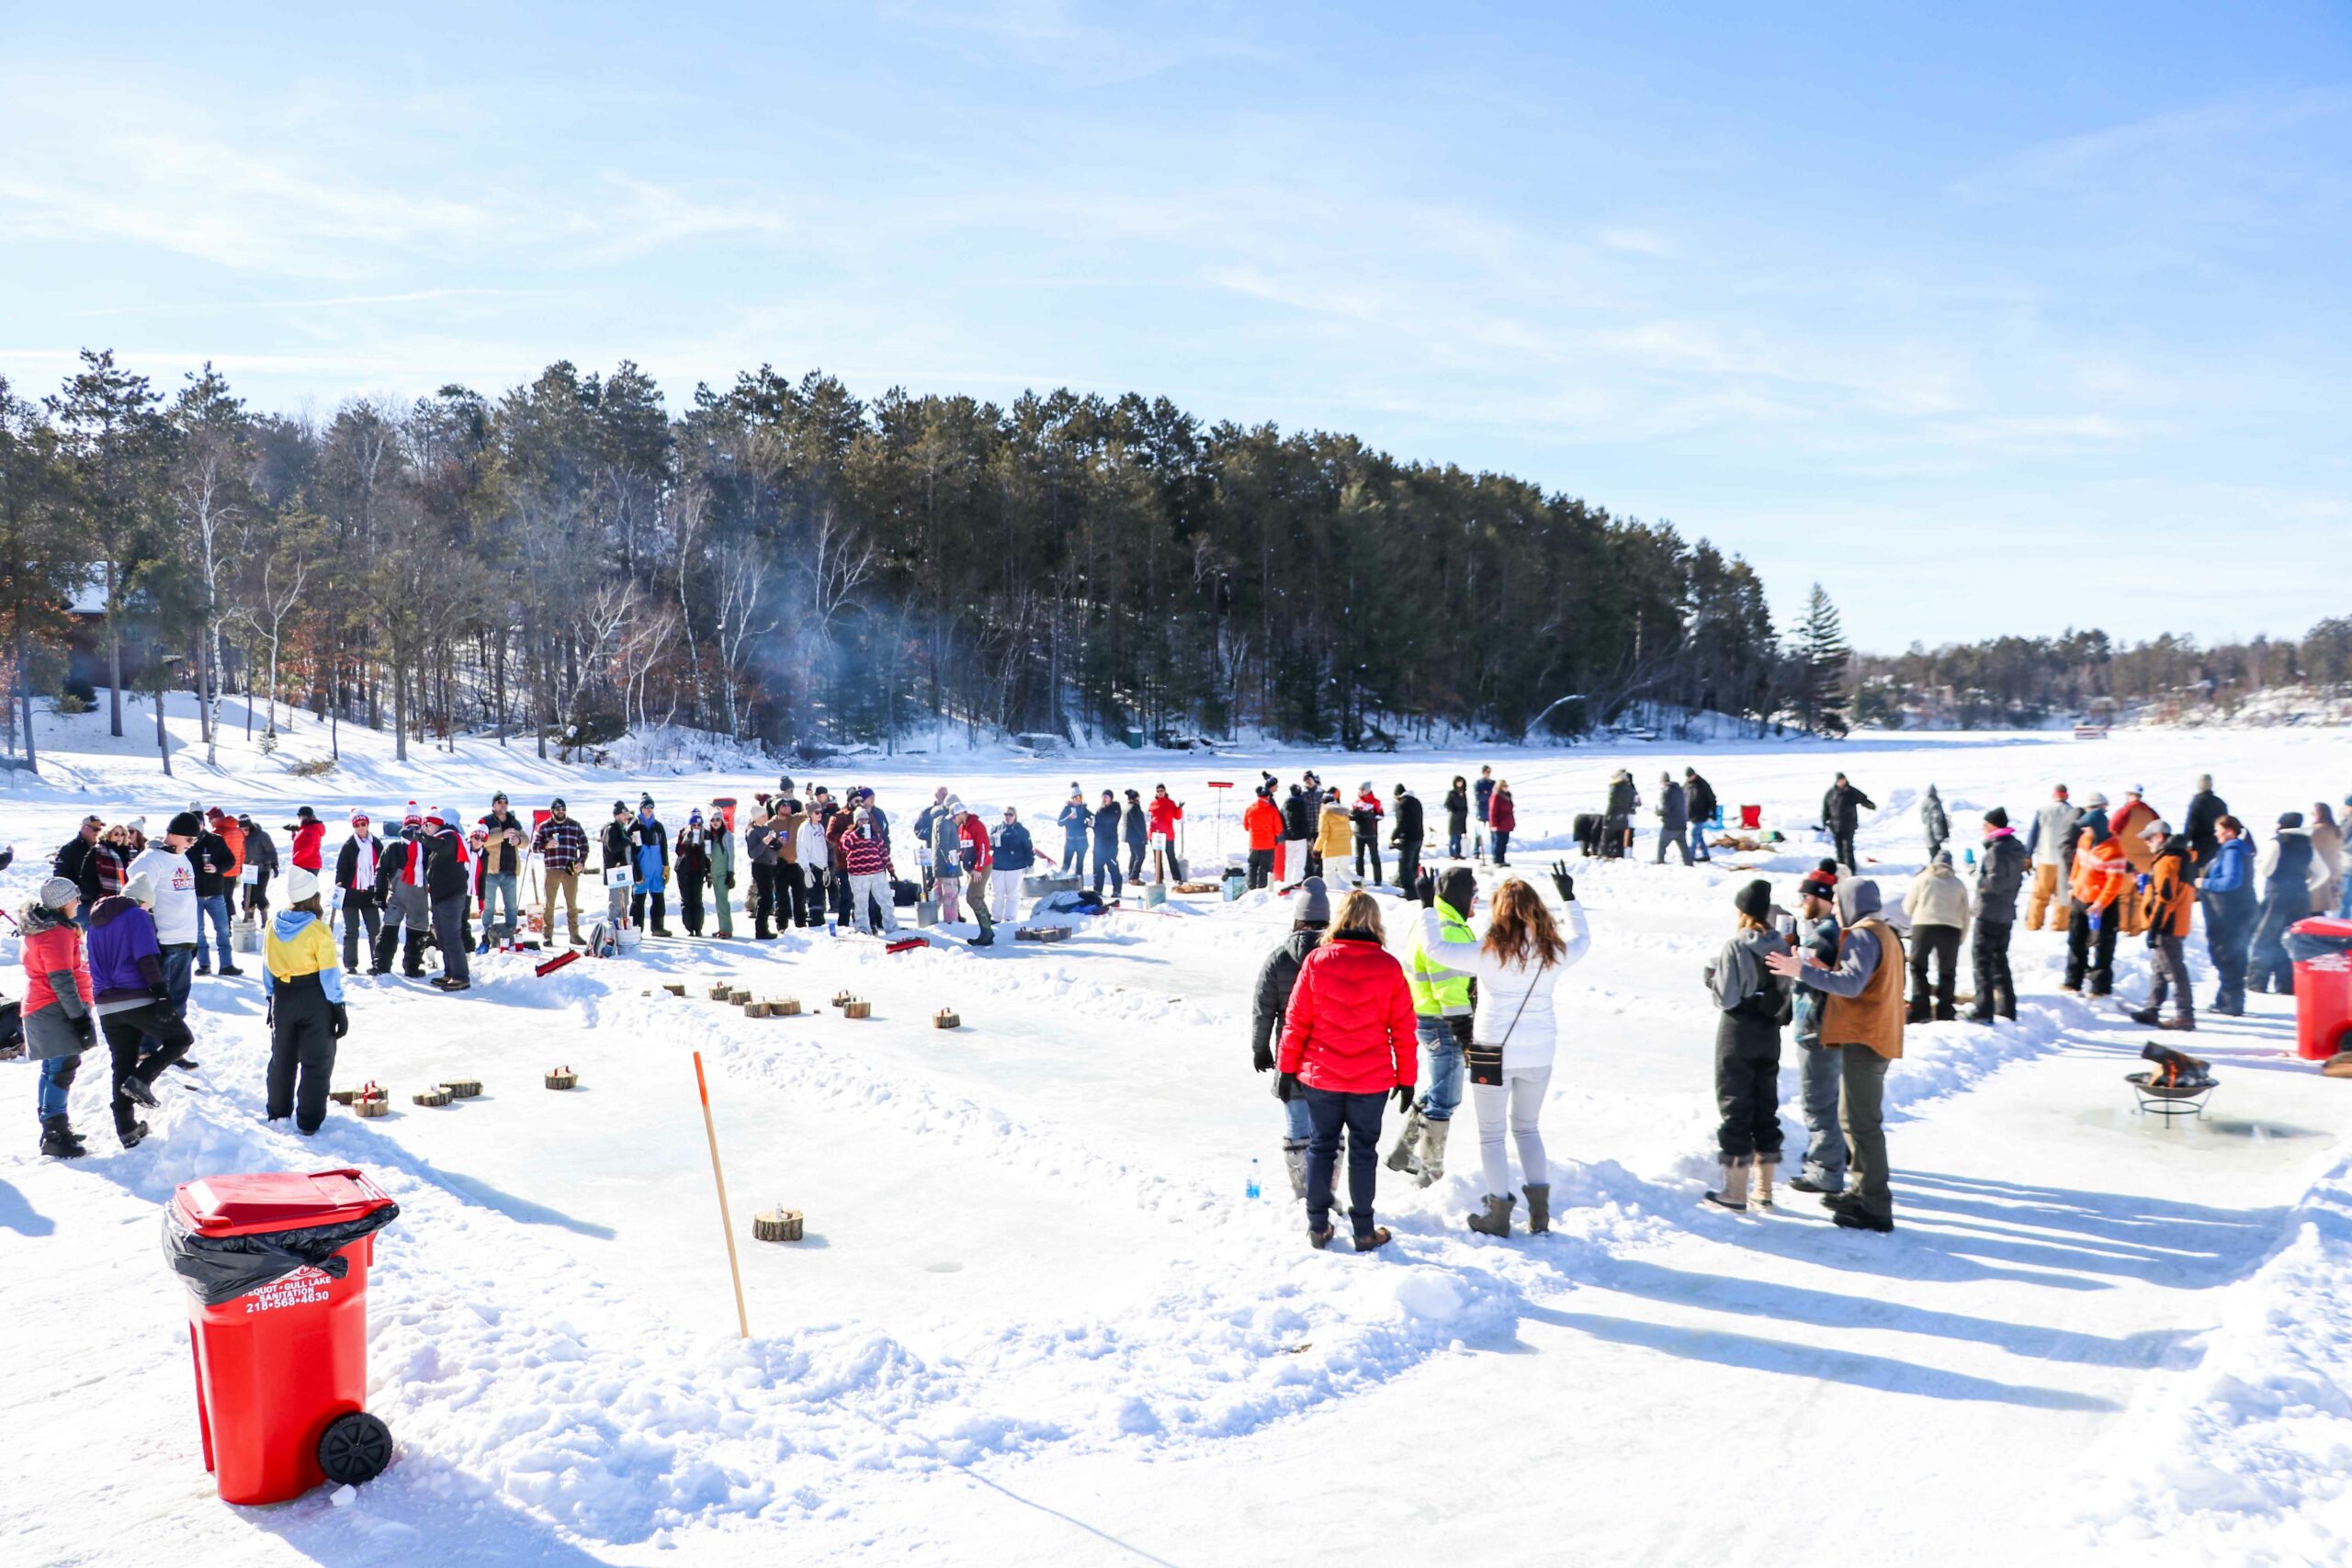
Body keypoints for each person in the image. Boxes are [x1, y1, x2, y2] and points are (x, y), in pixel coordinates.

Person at [1422, 874, 1590, 1236]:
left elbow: (1435, 950)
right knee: (1528, 1128)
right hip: (1539, 1050)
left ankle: (1497, 1214)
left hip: (1489, 1050)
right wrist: (1570, 899)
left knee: (1492, 1135)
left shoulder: (1487, 951)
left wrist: (1426, 908)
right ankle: (1539, 1214)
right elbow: (1584, 941)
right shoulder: (1552, 951)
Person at [1274, 889, 1417, 1252]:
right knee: (1364, 1151)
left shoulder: (1318, 961)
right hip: (1371, 1080)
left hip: (1322, 1074)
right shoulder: (1388, 966)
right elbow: (1403, 1028)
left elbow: (1296, 1021)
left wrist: (1287, 1068)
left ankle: (1318, 1227)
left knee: (1321, 1147)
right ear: (1375, 921)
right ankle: (1365, 1231)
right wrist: (1407, 1078)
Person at [1767, 877, 1905, 1234]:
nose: (1837, 911)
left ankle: (1874, 1204)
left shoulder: (1863, 933)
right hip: (1874, 1034)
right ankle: (1861, 1193)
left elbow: (1852, 984)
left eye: (1841, 904)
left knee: (1862, 1124)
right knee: (1852, 1119)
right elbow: (1862, 980)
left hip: (1865, 1038)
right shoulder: (1884, 931)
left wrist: (1803, 971)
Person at [86, 871, 195, 1148]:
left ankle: (126, 1129)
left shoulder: (95, 923)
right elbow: (146, 956)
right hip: (135, 996)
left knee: (122, 1062)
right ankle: (142, 1079)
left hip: (106, 1004)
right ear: (143, 900)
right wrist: (160, 993)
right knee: (181, 1039)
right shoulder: (136, 915)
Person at [1702, 881, 1791, 1212]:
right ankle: (1764, 1189)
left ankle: (1735, 1191)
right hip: (1770, 1031)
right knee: (1765, 1105)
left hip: (1738, 1030)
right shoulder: (1781, 943)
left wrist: (1710, 977)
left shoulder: (1736, 946)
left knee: (1735, 1105)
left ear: (1742, 911)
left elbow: (1724, 997)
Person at [1388, 865, 1476, 1187]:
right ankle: (1429, 1175)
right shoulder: (1447, 929)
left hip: (1426, 1017)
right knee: (1445, 1100)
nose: (1476, 902)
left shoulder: (1435, 920)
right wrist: (1465, 1034)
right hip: (1443, 1022)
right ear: (1461, 895)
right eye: (1474, 894)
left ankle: (1402, 1152)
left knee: (1438, 1089)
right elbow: (1447, 989)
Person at [1251, 878, 1330, 1201]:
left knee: (1297, 1126)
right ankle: (1326, 1191)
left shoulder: (1278, 958)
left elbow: (1262, 1009)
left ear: (1297, 919)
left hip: (1290, 1056)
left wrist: (1260, 1049)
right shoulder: (1334, 957)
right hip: (1329, 1057)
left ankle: (1303, 1194)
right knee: (1326, 1130)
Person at [263, 867, 347, 1134]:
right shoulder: (317, 930)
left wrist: (269, 998)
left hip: (282, 995)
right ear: (313, 897)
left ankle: (278, 1112)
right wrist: (338, 1006)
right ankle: (309, 1121)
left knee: (282, 1058)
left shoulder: (272, 925)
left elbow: (266, 966)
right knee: (316, 1060)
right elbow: (328, 972)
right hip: (314, 996)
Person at [1783, 873, 1847, 1195]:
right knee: (1827, 1099)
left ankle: (1825, 1169)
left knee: (1817, 1101)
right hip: (1826, 1026)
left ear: (1820, 897)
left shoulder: (1823, 935)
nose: (1801, 903)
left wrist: (1793, 960)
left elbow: (1811, 977)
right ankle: (1831, 1158)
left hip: (1816, 1027)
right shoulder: (1830, 931)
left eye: (1805, 896)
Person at [23, 878, 95, 1157]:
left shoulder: (46, 928)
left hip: (45, 1006)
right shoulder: (56, 933)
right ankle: (55, 1133)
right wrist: (79, 1017)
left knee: (53, 1068)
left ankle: (54, 1126)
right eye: (75, 898)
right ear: (63, 901)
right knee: (62, 1069)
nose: (79, 902)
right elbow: (61, 979)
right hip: (54, 1008)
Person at [2130, 825, 2197, 1031]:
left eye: (2149, 838)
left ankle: (2185, 1015)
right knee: (2159, 968)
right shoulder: (2177, 858)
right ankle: (2152, 1009)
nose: (2147, 843)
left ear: (2159, 837)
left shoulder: (2167, 861)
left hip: (2168, 924)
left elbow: (2166, 897)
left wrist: (2155, 927)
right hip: (2173, 922)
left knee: (2174, 970)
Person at [2249, 812, 2324, 995]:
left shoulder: (2277, 842)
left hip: (2276, 896)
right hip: (2300, 899)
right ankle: (2288, 984)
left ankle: (2257, 982)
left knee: (2265, 938)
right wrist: (2305, 887)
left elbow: (2266, 871)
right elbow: (2323, 873)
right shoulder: (2307, 844)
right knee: (2292, 940)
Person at [2063, 812, 2128, 996]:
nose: (2083, 830)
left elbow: (2114, 882)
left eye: (2087, 827)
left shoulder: (2114, 850)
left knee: (2103, 945)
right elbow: (2077, 864)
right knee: (2076, 939)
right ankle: (2073, 980)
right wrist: (2072, 885)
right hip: (2080, 898)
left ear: (2097, 827)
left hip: (2101, 905)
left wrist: (2100, 903)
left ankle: (2100, 986)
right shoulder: (2084, 840)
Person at [1970, 807, 2026, 1022]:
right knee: (2000, 960)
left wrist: (1978, 878)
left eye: (1985, 825)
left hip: (1989, 911)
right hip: (2006, 911)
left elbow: (1993, 883)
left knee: (1982, 961)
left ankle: (1983, 1009)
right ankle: (2007, 1007)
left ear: (1993, 826)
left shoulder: (1996, 851)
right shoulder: (2016, 847)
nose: (1983, 830)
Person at [1903, 850, 1972, 1023]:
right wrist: (1961, 937)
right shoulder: (1958, 884)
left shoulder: (1922, 879)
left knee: (1918, 968)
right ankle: (1945, 1011)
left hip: (1923, 926)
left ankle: (1921, 1010)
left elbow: (1908, 907)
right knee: (1947, 971)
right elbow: (1965, 914)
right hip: (1951, 929)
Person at [2200, 815, 2257, 1014]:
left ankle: (2231, 1003)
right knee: (2231, 954)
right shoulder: (2237, 849)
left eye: (2218, 829)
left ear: (2229, 831)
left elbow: (2231, 881)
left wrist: (2204, 884)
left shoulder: (2233, 850)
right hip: (2236, 911)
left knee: (2228, 954)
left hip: (2231, 912)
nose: (2215, 833)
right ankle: (2227, 1000)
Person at [374, 811, 432, 976]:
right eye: (409, 827)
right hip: (397, 896)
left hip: (419, 898)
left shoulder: (426, 848)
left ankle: (412, 966)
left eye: (417, 827)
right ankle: (381, 965)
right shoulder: (393, 848)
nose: (413, 831)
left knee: (418, 932)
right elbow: (381, 871)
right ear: (403, 827)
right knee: (388, 931)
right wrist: (379, 893)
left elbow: (435, 871)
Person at [424, 810, 473, 990]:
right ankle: (450, 972)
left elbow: (440, 846)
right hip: (439, 896)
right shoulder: (437, 842)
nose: (426, 828)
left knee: (452, 937)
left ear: (438, 824)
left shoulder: (450, 837)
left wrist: (421, 838)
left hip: (451, 895)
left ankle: (461, 976)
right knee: (443, 937)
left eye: (428, 824)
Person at [530, 798, 588, 946]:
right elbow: (534, 847)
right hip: (552, 868)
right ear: (552, 811)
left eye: (563, 810)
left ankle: (574, 934)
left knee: (572, 904)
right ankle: (547, 935)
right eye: (557, 810)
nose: (561, 812)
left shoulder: (574, 825)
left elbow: (584, 846)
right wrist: (546, 845)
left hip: (570, 868)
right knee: (549, 904)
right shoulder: (545, 827)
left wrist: (581, 861)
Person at [190, 811, 241, 976]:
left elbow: (230, 860)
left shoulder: (215, 839)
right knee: (198, 931)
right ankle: (204, 964)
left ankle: (226, 964)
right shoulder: (186, 842)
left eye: (198, 823)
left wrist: (217, 868)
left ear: (203, 824)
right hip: (194, 894)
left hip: (215, 892)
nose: (197, 827)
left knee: (223, 929)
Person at [2024, 784, 2081, 931]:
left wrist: (2028, 855)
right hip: (2066, 860)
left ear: (2054, 795)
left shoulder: (2043, 811)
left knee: (2040, 895)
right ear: (2066, 795)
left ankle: (2034, 924)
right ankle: (2060, 925)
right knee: (2062, 895)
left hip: (2046, 859)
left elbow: (2033, 835)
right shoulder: (2073, 812)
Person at [334, 812, 385, 972]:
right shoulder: (349, 845)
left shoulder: (376, 844)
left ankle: (377, 961)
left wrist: (383, 889)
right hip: (351, 894)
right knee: (351, 930)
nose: (360, 828)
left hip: (370, 894)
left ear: (368, 824)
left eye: (363, 824)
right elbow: (341, 869)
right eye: (356, 825)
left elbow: (383, 867)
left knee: (375, 930)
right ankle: (350, 964)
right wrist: (339, 887)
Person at [2109, 787, 2161, 936]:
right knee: (2140, 896)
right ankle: (2137, 928)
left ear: (2130, 795)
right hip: (2147, 860)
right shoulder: (2151, 813)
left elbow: (2112, 831)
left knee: (2123, 896)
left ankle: (2122, 927)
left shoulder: (2123, 812)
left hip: (2126, 860)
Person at [477, 793, 526, 948]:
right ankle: (487, 935)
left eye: (505, 802)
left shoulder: (514, 821)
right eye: (499, 802)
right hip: (491, 871)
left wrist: (518, 840)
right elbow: (480, 841)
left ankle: (510, 934)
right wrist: (502, 835)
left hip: (510, 870)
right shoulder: (486, 821)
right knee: (489, 906)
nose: (503, 805)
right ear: (493, 805)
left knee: (511, 906)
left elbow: (526, 841)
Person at [842, 806, 897, 934]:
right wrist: (856, 834)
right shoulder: (849, 834)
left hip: (877, 872)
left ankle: (891, 927)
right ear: (856, 821)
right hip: (858, 874)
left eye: (866, 819)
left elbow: (883, 852)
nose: (864, 822)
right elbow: (843, 846)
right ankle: (862, 928)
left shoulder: (875, 834)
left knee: (886, 901)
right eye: (861, 820)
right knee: (861, 903)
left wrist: (890, 868)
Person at [629, 796, 671, 936]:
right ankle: (636, 930)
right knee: (638, 900)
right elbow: (631, 852)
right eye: (646, 807)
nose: (648, 810)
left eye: (651, 807)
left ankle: (658, 928)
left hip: (657, 867)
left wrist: (666, 865)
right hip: (642, 868)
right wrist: (635, 871)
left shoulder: (658, 826)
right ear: (641, 808)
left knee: (659, 898)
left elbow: (664, 847)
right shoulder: (635, 826)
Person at [53, 814, 106, 920]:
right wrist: (80, 893)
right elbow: (60, 876)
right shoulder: (69, 849)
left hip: (98, 901)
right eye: (95, 829)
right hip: (79, 904)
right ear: (83, 828)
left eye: (100, 829)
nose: (98, 832)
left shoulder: (101, 848)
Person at [744, 803, 783, 940]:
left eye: (766, 814)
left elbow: (774, 848)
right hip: (760, 867)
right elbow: (754, 853)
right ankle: (760, 928)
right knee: (765, 898)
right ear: (756, 818)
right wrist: (765, 842)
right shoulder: (753, 832)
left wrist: (777, 842)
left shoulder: (766, 829)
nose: (766, 816)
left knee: (768, 898)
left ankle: (763, 927)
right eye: (763, 815)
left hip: (770, 866)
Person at [990, 806, 1033, 928]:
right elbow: (989, 845)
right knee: (997, 893)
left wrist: (1030, 863)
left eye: (1011, 814)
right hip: (998, 866)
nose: (1008, 817)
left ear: (1015, 816)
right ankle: (996, 918)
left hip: (1016, 867)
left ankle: (1010, 918)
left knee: (1012, 894)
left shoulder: (1021, 831)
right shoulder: (996, 829)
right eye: (1006, 814)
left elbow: (1028, 848)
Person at [1821, 773, 1873, 871]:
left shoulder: (1851, 792)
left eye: (1843, 780)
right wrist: (1825, 820)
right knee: (1839, 848)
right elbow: (1826, 808)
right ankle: (1840, 869)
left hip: (1849, 825)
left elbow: (1863, 799)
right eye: (1840, 780)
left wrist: (1870, 805)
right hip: (1835, 825)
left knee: (1847, 848)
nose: (1842, 782)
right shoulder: (1831, 793)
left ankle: (1851, 869)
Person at [672, 810, 712, 936]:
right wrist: (685, 839)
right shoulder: (684, 833)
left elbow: (709, 856)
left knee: (697, 900)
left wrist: (709, 873)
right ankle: (689, 927)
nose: (696, 828)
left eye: (699, 825)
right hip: (684, 871)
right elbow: (678, 851)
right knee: (686, 900)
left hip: (698, 871)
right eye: (694, 825)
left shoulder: (706, 835)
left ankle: (698, 927)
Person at [236, 814, 279, 922]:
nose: (244, 831)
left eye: (246, 829)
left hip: (262, 869)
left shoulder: (262, 836)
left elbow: (271, 850)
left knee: (260, 893)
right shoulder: (240, 837)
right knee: (248, 894)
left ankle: (264, 915)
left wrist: (274, 864)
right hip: (249, 869)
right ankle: (249, 916)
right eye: (241, 829)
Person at [2183, 774, 2229, 874]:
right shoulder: (2220, 803)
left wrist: (2184, 842)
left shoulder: (2197, 802)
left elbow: (2191, 825)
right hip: (2218, 845)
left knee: (2201, 877)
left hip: (2200, 848)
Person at [1315, 789, 1357, 892]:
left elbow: (1324, 833)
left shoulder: (1325, 812)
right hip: (1346, 848)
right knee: (1345, 871)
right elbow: (1350, 832)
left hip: (1331, 848)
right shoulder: (1344, 813)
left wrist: (1317, 848)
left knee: (1329, 872)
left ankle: (1331, 893)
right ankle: (1360, 880)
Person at [1243, 787, 1283, 891]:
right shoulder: (1272, 810)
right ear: (1268, 796)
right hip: (1268, 843)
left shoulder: (1250, 809)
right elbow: (1279, 828)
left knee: (1253, 864)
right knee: (1265, 866)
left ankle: (1251, 886)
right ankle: (1262, 887)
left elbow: (1246, 826)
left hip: (1254, 843)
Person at [1388, 784, 1424, 893]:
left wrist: (1392, 838)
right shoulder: (1416, 801)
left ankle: (1409, 892)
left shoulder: (1402, 804)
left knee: (1405, 867)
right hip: (1419, 837)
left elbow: (1401, 824)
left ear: (1397, 795)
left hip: (1408, 838)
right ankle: (1415, 889)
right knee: (1414, 864)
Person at [1090, 790, 1125, 900]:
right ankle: (1098, 890)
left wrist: (1098, 822)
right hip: (1099, 844)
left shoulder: (1115, 809)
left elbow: (1109, 821)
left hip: (1110, 845)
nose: (1104, 799)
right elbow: (1098, 827)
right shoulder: (1099, 810)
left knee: (1113, 868)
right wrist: (1091, 824)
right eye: (1102, 796)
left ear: (1111, 798)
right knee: (1098, 868)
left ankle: (1117, 890)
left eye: (1106, 797)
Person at [1349, 783, 1385, 887]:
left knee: (1374, 857)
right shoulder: (1356, 802)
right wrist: (1353, 815)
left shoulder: (1376, 802)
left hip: (1371, 834)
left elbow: (1381, 816)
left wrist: (1371, 815)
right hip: (1358, 833)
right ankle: (1360, 879)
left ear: (1368, 790)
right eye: (1359, 789)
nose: (1361, 791)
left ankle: (1378, 880)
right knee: (1358, 858)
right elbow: (1351, 817)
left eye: (1363, 789)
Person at [2310, 803, 2344, 916]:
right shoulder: (2337, 830)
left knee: (2314, 909)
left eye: (2314, 813)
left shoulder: (2314, 831)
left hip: (2318, 871)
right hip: (2334, 870)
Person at [1148, 784, 1186, 883]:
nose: (1160, 792)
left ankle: (1177, 878)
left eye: (1162, 790)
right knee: (1157, 856)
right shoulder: (1153, 803)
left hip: (1168, 834)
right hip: (1155, 834)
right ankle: (1159, 878)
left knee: (1171, 856)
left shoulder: (1170, 803)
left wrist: (1179, 809)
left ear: (1165, 791)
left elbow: (1177, 816)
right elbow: (1149, 816)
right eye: (1158, 791)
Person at [1655, 772, 1690, 865]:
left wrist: (1658, 812)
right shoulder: (1680, 790)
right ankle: (1689, 864)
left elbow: (1665, 809)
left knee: (1662, 846)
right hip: (1682, 823)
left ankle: (1660, 864)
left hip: (1670, 825)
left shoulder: (1666, 792)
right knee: (1684, 847)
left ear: (1662, 781)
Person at [1283, 783, 1317, 880]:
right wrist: (1309, 837)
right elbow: (1304, 821)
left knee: (1289, 861)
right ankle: (1297, 881)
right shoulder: (1300, 803)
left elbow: (1282, 819)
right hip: (1300, 837)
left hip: (1288, 837)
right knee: (1299, 862)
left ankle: (1288, 881)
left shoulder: (1285, 803)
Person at [1682, 768, 1716, 863]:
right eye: (1688, 777)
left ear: (1694, 774)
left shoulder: (1702, 784)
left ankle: (1690, 856)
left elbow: (1712, 799)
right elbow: (1682, 795)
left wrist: (1713, 813)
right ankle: (1706, 855)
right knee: (1698, 836)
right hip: (1691, 814)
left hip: (1701, 814)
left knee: (1694, 834)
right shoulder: (1686, 784)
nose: (1690, 778)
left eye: (1691, 776)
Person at [1056, 788, 1090, 876]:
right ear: (1072, 799)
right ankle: (1060, 885)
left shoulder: (1083, 809)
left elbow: (1094, 818)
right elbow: (1059, 823)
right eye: (1076, 798)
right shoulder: (1067, 809)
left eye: (1080, 797)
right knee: (1066, 865)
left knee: (1080, 866)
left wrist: (1088, 824)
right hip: (1070, 841)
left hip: (1082, 841)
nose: (1079, 800)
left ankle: (1079, 886)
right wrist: (1068, 817)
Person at [1604, 771, 1637, 859]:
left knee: (1625, 836)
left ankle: (1623, 855)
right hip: (1629, 816)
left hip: (1625, 816)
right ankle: (1626, 854)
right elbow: (1637, 802)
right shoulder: (1631, 788)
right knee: (1626, 836)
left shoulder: (1625, 788)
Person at [1123, 788, 1150, 883]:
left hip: (1130, 837)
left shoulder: (1127, 807)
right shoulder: (1135, 808)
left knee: (1134, 856)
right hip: (1137, 837)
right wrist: (1144, 838)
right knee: (1140, 856)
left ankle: (1131, 875)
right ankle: (1134, 877)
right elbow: (1139, 824)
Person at [288, 805, 326, 874]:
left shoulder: (310, 830)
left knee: (302, 885)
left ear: (305, 816)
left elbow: (308, 848)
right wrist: (294, 833)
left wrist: (295, 859)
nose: (299, 818)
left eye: (300, 816)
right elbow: (301, 843)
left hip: (308, 865)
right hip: (305, 864)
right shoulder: (307, 828)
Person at [1488, 780, 1516, 866]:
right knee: (1498, 842)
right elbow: (1493, 811)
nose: (1506, 787)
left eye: (1506, 786)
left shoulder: (1507, 796)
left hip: (1507, 823)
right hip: (1499, 823)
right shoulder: (1496, 796)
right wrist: (1493, 824)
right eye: (1504, 786)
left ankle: (1502, 859)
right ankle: (1497, 860)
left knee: (1504, 842)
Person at [1473, 765, 1497, 861]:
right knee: (1479, 833)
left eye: (1489, 772)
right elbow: (1479, 797)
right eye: (1486, 772)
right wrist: (1487, 795)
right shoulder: (1478, 783)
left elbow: (1494, 796)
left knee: (1494, 833)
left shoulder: (1493, 783)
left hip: (1492, 811)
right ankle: (1476, 851)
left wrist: (1487, 794)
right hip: (1481, 810)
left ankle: (1494, 852)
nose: (1488, 774)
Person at [1443, 776, 1470, 860]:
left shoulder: (1463, 793)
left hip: (1462, 817)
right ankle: (1452, 853)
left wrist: (1464, 812)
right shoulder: (1452, 793)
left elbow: (1465, 805)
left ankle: (1458, 853)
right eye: (1458, 782)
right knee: (1453, 837)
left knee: (1459, 837)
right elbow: (1447, 804)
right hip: (1454, 817)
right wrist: (1454, 811)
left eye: (1461, 782)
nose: (1460, 783)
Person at [1921, 784, 1950, 863]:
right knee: (1937, 858)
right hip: (1934, 836)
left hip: (1928, 834)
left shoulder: (1925, 802)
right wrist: (1939, 835)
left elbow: (1924, 819)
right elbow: (1936, 821)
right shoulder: (1934, 804)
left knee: (1934, 856)